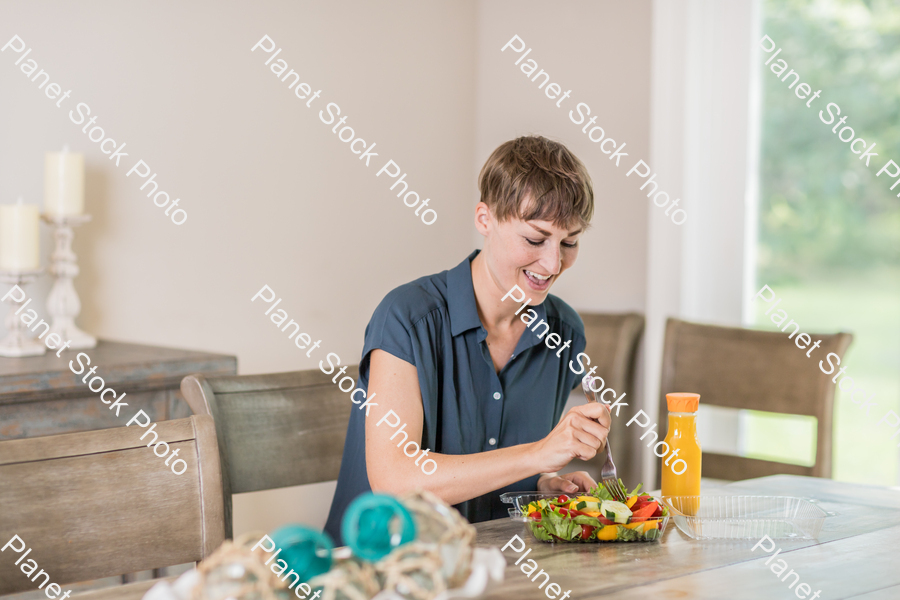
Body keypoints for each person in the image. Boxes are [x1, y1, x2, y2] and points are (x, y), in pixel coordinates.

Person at [324, 135, 611, 543]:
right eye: (535, 239)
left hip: (493, 569)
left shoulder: (564, 333)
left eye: (570, 242)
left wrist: (542, 484)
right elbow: (396, 481)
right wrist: (538, 454)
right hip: (376, 573)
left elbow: (507, 467)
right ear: (484, 219)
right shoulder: (407, 318)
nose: (553, 263)